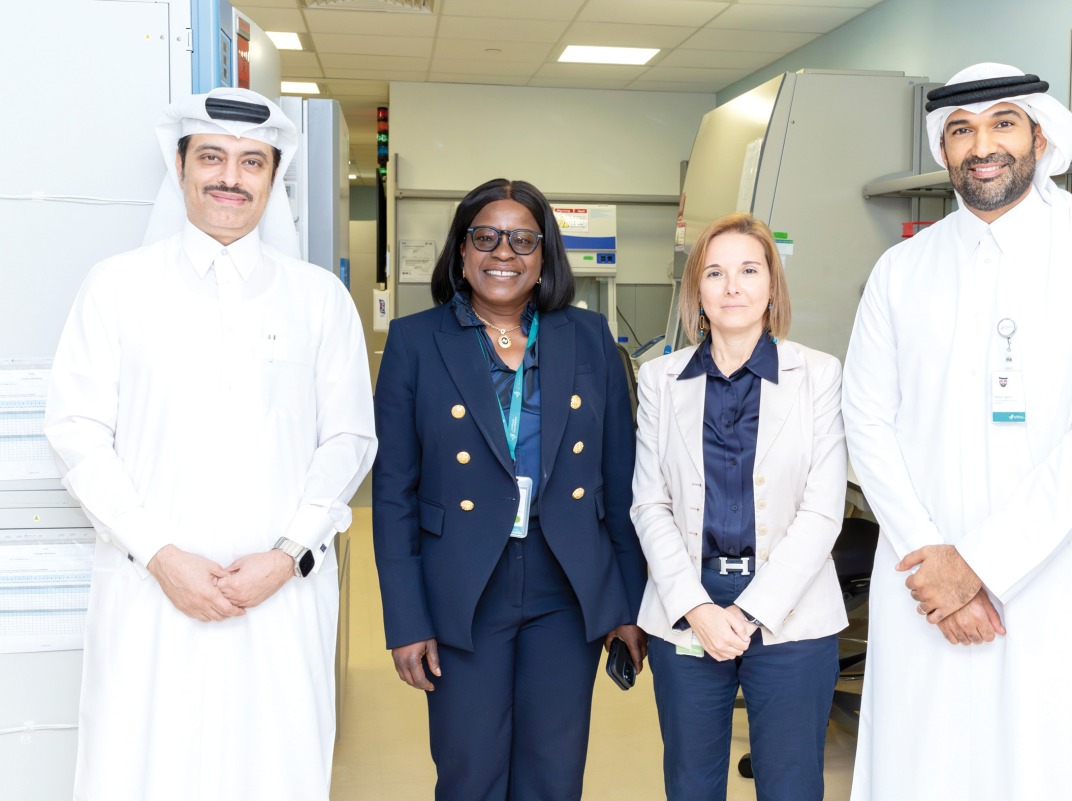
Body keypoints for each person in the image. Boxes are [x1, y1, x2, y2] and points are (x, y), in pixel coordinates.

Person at [43, 88, 377, 800]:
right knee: (145, 768)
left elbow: (348, 438)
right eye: (214, 157)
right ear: (181, 165)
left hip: (278, 595)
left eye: (252, 161)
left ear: (273, 176)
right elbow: (76, 433)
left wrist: (285, 555)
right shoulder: (117, 288)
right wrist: (160, 555)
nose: (231, 177)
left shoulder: (318, 300)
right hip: (150, 594)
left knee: (274, 767)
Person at [843, 63, 1072, 800]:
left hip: (1047, 591)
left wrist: (978, 565)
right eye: (960, 130)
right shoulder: (901, 270)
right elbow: (866, 419)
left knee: (1041, 772)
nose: (981, 145)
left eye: (1002, 123)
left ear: (1040, 137)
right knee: (920, 768)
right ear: (944, 150)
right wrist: (939, 572)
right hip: (919, 584)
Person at [372, 177, 647, 801]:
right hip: (463, 585)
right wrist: (406, 618)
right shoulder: (416, 342)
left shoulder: (589, 337)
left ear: (545, 255)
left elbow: (618, 480)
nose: (504, 254)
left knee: (554, 771)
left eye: (523, 240)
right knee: (470, 770)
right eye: (486, 238)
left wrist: (626, 604)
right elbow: (393, 496)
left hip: (567, 585)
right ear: (461, 252)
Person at [631, 212, 848, 801]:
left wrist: (752, 612)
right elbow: (649, 503)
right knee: (692, 784)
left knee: (790, 784)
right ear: (695, 289)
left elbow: (824, 511)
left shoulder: (819, 376)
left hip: (792, 611)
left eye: (749, 270)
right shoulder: (659, 379)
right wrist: (697, 607)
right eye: (716, 273)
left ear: (771, 285)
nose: (733, 287)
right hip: (687, 607)